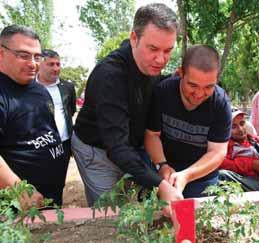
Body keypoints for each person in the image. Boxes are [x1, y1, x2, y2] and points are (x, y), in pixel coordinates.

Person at [72, 3, 182, 207]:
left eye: (168, 51)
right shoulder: (109, 76)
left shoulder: (148, 65)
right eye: (153, 49)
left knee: (135, 206)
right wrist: (160, 185)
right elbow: (117, 147)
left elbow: (151, 84)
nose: (161, 59)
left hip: (127, 146)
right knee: (109, 213)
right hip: (96, 150)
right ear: (134, 38)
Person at [144, 45, 232, 198]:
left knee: (193, 219)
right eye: (192, 85)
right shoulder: (163, 92)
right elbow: (152, 135)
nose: (199, 94)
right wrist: (162, 165)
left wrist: (186, 175)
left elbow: (217, 152)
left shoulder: (221, 103)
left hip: (202, 176)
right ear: (180, 73)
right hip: (164, 170)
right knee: (159, 216)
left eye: (208, 87)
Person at [0, 25, 69, 205]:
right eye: (23, 56)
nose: (33, 63)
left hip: (51, 193)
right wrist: (19, 190)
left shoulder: (39, 90)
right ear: (1, 53)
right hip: (19, 203)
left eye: (37, 57)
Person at [36, 49, 76, 194]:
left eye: (58, 64)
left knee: (58, 180)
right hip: (39, 145)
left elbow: (70, 111)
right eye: (51, 64)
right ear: (40, 64)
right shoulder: (30, 86)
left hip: (63, 143)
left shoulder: (68, 88)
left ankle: (55, 205)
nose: (56, 68)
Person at [219, 109, 259, 191]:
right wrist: (251, 164)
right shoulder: (223, 145)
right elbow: (221, 164)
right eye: (233, 127)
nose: (240, 129)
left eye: (242, 123)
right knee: (222, 175)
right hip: (237, 183)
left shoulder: (256, 143)